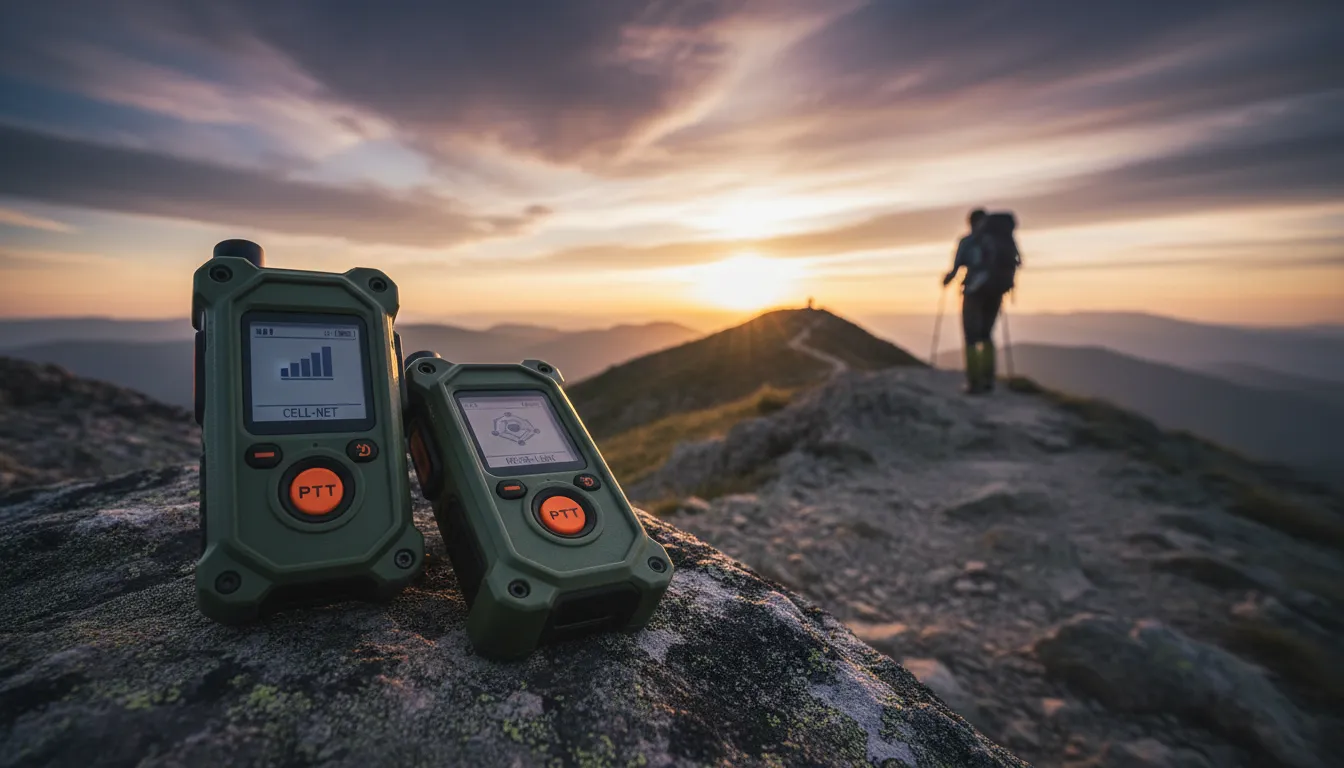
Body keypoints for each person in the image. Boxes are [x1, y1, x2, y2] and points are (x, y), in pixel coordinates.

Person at [942, 208, 1003, 394]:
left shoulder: (967, 241)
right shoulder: (997, 241)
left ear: (970, 222)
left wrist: (948, 279)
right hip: (995, 291)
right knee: (987, 334)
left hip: (973, 291)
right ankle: (989, 379)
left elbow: (957, 266)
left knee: (971, 336)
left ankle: (975, 382)